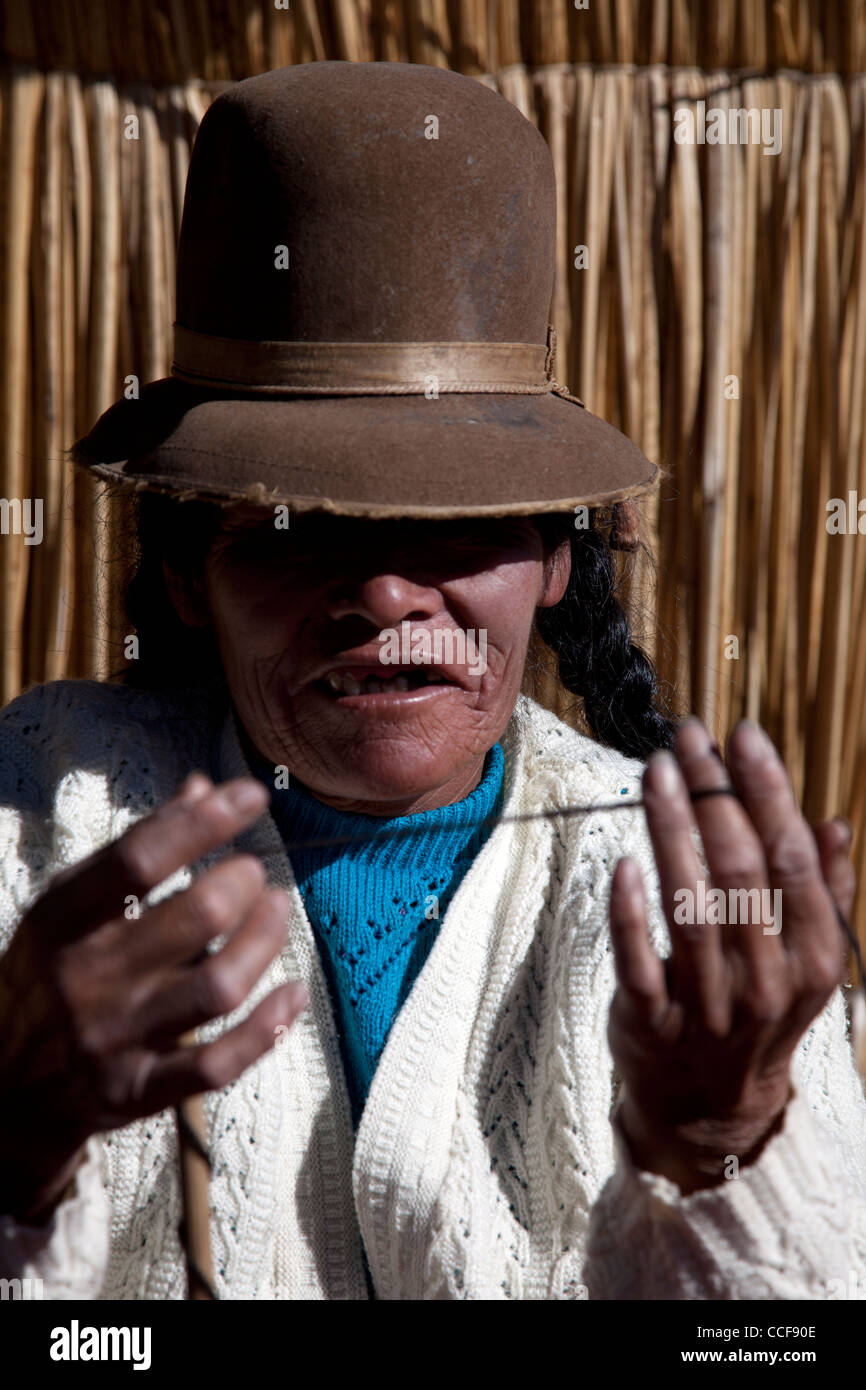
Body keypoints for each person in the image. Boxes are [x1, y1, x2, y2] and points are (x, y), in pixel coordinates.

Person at [1, 61, 864, 1301]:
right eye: (299, 528)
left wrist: (722, 1142)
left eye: (456, 529)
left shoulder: (678, 900)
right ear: (190, 572)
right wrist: (17, 1151)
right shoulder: (45, 823)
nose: (386, 595)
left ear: (562, 558)